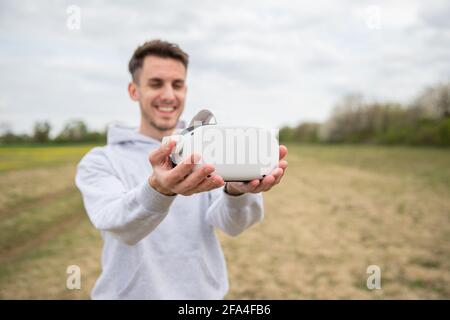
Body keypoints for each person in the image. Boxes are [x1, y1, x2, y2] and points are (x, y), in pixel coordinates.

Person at [75, 39, 288, 299]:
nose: (168, 95)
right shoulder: (100, 161)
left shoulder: (206, 149)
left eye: (177, 85)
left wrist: (237, 191)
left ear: (185, 90)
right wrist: (158, 189)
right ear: (134, 90)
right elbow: (123, 229)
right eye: (155, 83)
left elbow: (233, 225)